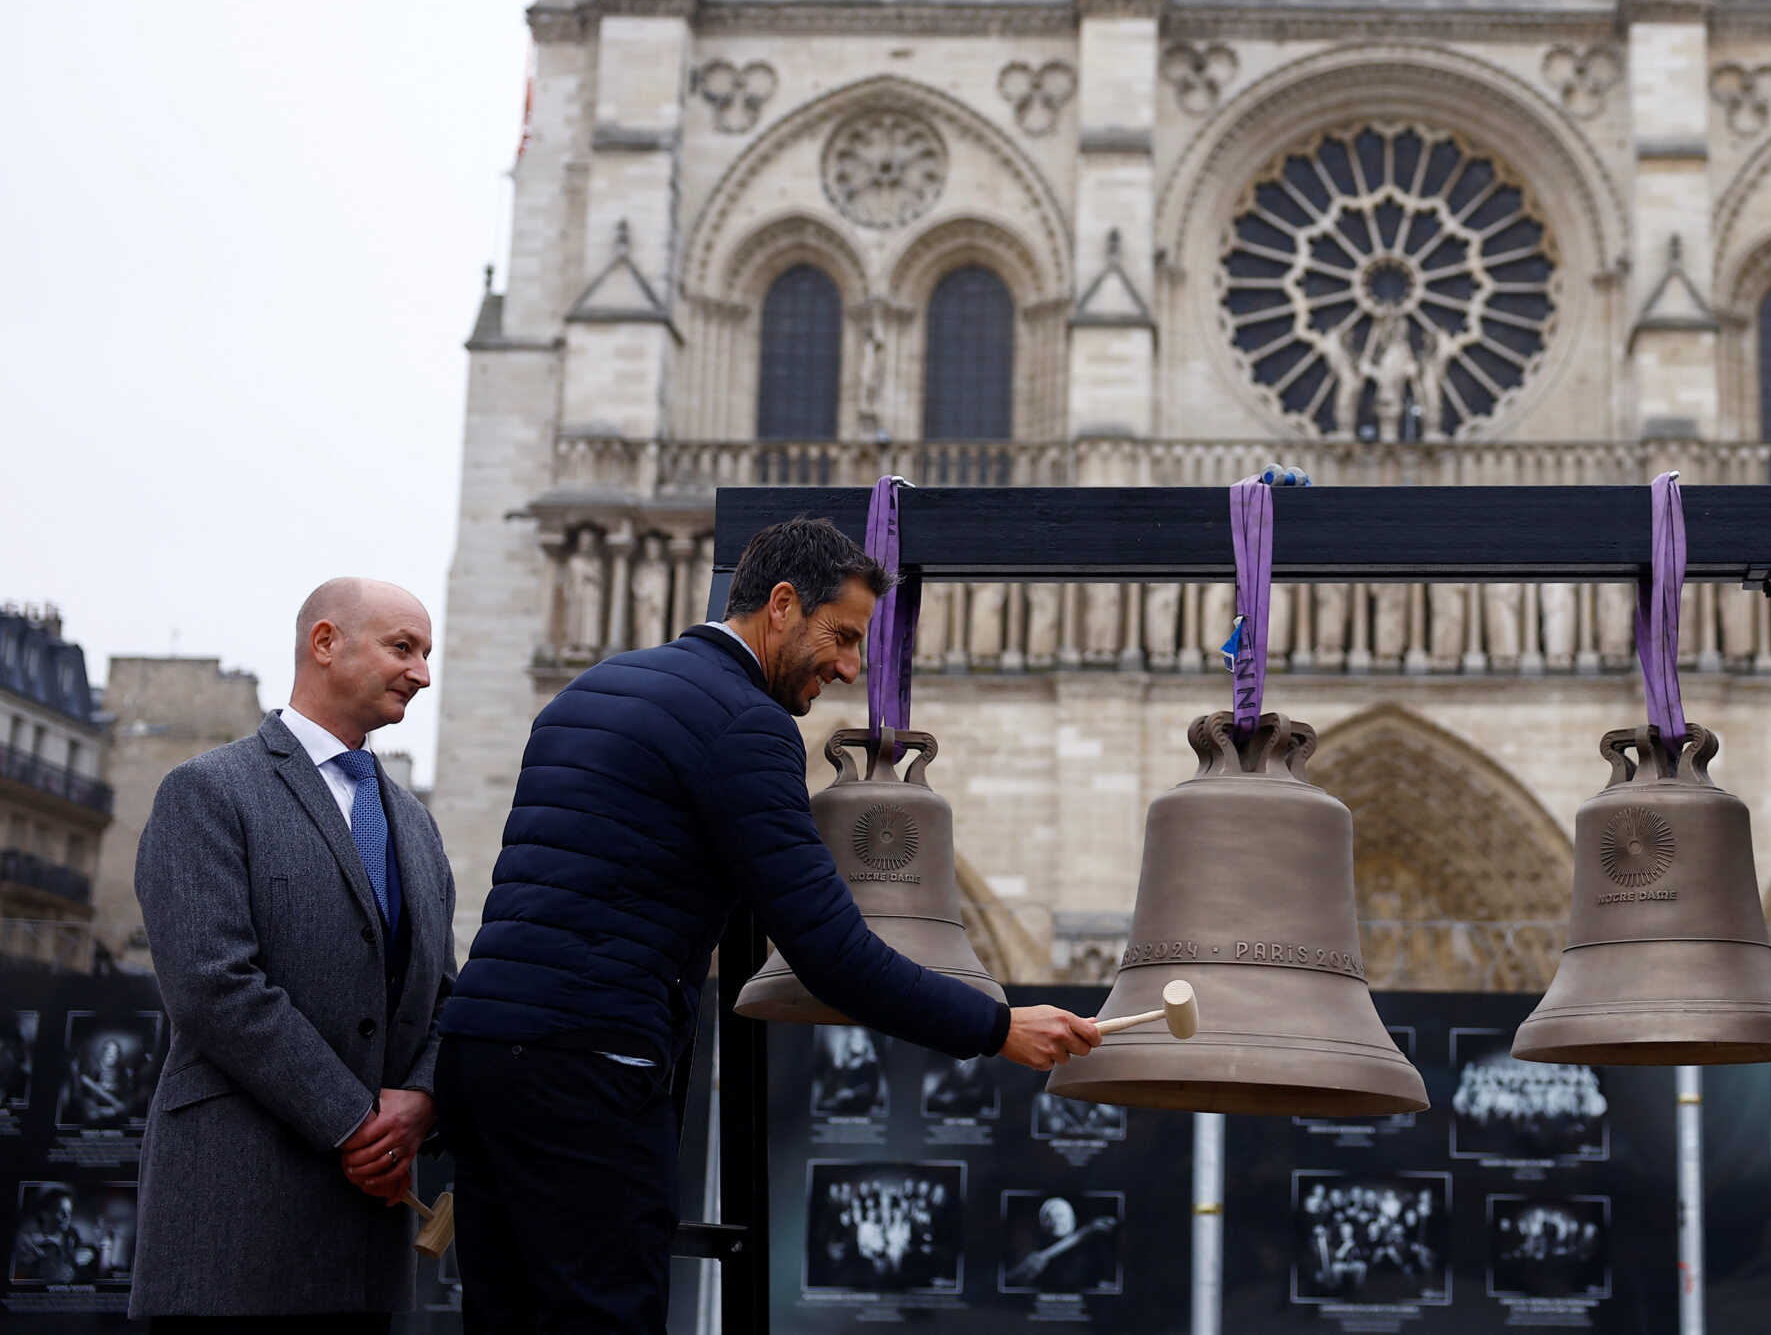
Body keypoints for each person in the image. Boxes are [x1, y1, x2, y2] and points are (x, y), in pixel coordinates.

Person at [438, 514, 1099, 1332]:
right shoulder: (746, 724)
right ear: (781, 604)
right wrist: (995, 1025)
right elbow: (829, 950)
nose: (853, 667)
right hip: (590, 1071)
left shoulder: (592, 689)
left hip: (480, 1061)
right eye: (845, 636)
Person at [130, 579, 455, 1333]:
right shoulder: (206, 791)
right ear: (324, 642)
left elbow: (444, 994)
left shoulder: (416, 823)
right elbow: (213, 985)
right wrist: (355, 1121)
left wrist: (423, 1100)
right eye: (403, 648)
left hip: (366, 1254)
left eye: (427, 654)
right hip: (235, 1238)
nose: (423, 674)